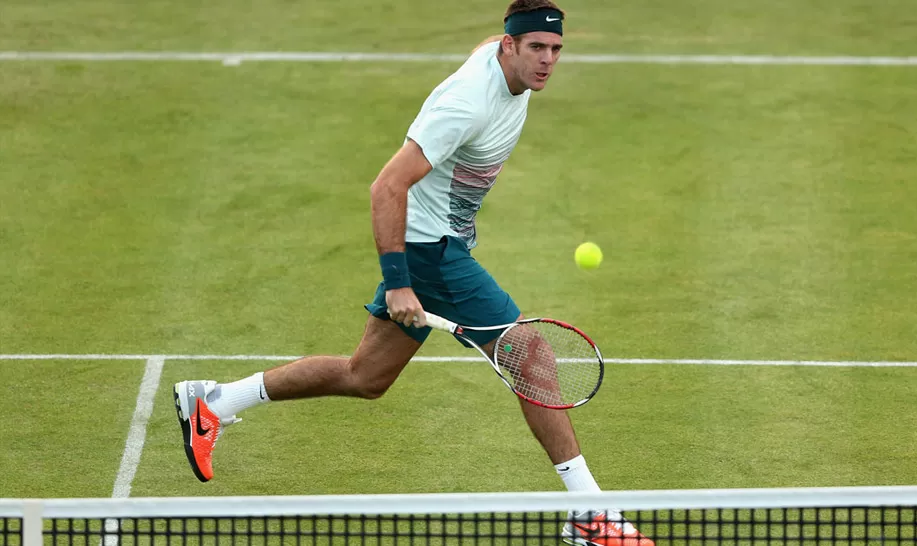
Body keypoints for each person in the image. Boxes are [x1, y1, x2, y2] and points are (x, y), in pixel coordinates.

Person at [173, 1, 653, 544]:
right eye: (536, 48)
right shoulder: (466, 105)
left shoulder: (500, 64)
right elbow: (386, 186)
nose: (547, 61)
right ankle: (591, 514)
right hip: (431, 252)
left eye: (556, 49)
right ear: (507, 46)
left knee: (366, 377)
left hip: (441, 241)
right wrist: (400, 280)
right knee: (531, 355)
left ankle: (213, 402)